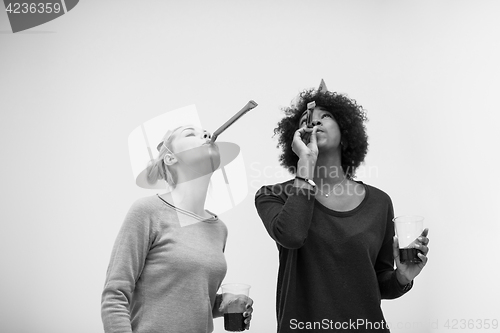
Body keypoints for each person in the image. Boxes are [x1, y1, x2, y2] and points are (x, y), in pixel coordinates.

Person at [254, 84, 429, 332]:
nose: (314, 123)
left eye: (325, 116)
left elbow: (378, 282)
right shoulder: (273, 195)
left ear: (346, 132)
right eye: (306, 120)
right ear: (294, 140)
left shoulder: (379, 202)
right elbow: (292, 236)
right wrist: (306, 165)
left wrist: (402, 277)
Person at [101, 125, 253, 333]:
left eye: (206, 133)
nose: (207, 135)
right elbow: (115, 295)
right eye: (191, 134)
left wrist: (224, 303)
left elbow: (188, 300)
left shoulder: (219, 229)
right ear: (170, 158)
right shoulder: (147, 211)